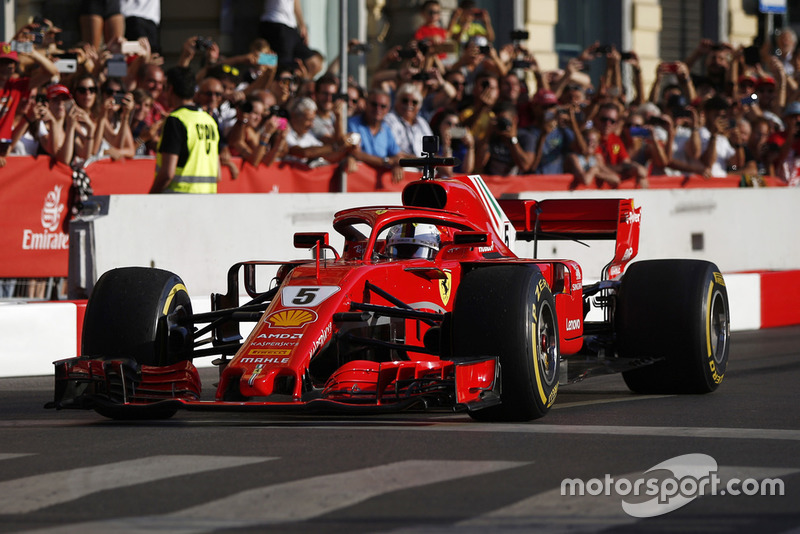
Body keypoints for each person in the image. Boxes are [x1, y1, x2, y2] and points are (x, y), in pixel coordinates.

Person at [150, 66, 220, 193]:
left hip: (179, 201)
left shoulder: (176, 119)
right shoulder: (209, 120)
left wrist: (149, 198)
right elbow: (218, 174)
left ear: (170, 89)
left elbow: (167, 173)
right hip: (208, 200)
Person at [0, 42, 58, 166]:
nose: (7, 67)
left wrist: (32, 53)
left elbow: (51, 72)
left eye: (11, 63)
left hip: (4, 148)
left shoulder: (16, 87)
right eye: (3, 62)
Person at [347, 89, 409, 184]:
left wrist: (397, 164)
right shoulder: (352, 123)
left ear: (388, 109)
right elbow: (355, 152)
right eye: (374, 104)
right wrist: (385, 161)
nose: (378, 109)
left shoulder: (386, 128)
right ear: (366, 104)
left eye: (383, 106)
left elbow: (397, 154)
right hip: (356, 184)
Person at [284, 96, 355, 167]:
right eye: (308, 120)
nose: (311, 125)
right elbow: (303, 152)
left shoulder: (307, 135)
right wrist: (336, 146)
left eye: (313, 120)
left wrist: (349, 155)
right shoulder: (284, 131)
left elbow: (326, 154)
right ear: (294, 116)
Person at [258, 0, 323, 78]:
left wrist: (302, 24)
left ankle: (302, 86)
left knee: (314, 64)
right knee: (279, 66)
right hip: (275, 22)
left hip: (291, 26)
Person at [475, 100, 535, 175]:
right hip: (491, 184)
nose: (501, 123)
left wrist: (512, 140)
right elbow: (479, 164)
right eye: (498, 120)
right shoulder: (493, 136)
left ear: (515, 119)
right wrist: (488, 135)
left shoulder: (525, 137)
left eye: (503, 120)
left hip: (514, 185)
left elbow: (525, 166)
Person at [383, 83, 433, 157]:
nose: (409, 104)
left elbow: (431, 150)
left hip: (424, 166)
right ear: (396, 101)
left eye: (414, 102)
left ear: (419, 106)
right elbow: (393, 152)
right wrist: (420, 161)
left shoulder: (422, 123)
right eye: (405, 101)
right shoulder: (389, 120)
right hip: (401, 165)